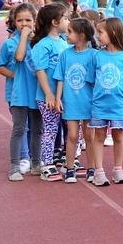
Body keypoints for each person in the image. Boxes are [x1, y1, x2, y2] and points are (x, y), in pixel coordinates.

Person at [89, 18, 123, 186]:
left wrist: (121, 94)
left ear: (112, 33)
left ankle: (118, 169)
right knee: (99, 136)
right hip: (99, 105)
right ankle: (98, 171)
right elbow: (91, 79)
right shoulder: (97, 56)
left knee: (118, 136)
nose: (98, 36)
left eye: (101, 33)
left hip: (118, 105)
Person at [0, 3, 43, 181]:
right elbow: (16, 58)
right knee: (19, 129)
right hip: (19, 95)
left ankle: (36, 162)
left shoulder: (39, 42)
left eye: (28, 20)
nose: (24, 23)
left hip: (37, 94)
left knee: (37, 129)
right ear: (14, 22)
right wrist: (15, 75)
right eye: (20, 20)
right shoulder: (10, 43)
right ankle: (15, 165)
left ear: (35, 21)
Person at [53, 18, 97, 183]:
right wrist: (58, 99)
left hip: (88, 102)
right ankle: (70, 168)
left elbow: (96, 80)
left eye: (70, 31)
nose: (67, 34)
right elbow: (60, 78)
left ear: (82, 35)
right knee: (71, 136)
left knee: (89, 136)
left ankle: (91, 168)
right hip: (70, 101)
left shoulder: (94, 55)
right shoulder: (66, 54)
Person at [31, 3, 70, 182]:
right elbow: (40, 70)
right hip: (48, 97)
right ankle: (46, 164)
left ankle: (60, 159)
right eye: (66, 18)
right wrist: (49, 94)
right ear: (55, 22)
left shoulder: (63, 43)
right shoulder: (43, 45)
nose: (68, 21)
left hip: (64, 96)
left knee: (64, 128)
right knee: (51, 129)